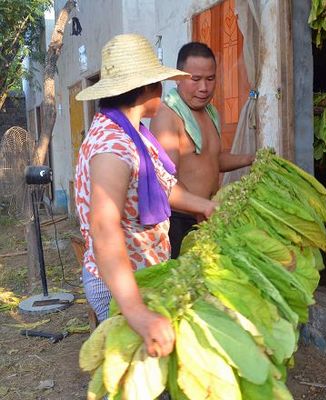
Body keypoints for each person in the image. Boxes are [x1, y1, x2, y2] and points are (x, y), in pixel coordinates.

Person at [74, 34, 216, 358]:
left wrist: (206, 206)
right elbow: (103, 228)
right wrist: (136, 312)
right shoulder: (112, 146)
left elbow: (165, 186)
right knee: (132, 383)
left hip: (147, 272)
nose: (163, 90)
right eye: (159, 83)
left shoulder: (134, 133)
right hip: (121, 285)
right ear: (146, 88)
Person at [150, 42, 254, 258]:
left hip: (206, 216)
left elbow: (213, 160)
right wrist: (200, 207)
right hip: (179, 222)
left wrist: (251, 158)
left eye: (210, 78)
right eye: (195, 79)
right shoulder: (167, 116)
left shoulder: (211, 112)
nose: (204, 88)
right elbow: (167, 180)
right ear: (179, 78)